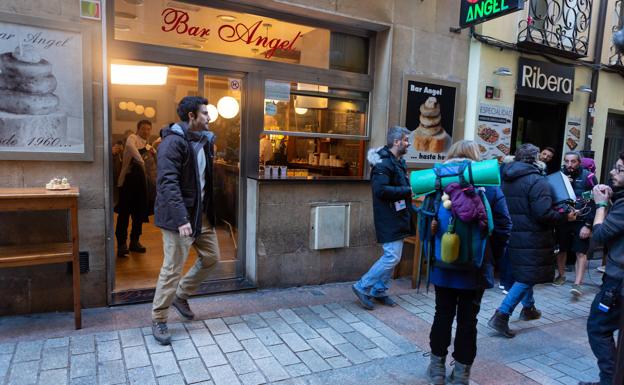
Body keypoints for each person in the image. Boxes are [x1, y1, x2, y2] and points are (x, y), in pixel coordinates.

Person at [425, 141, 512, 385]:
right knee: (468, 321)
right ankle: (462, 374)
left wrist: (431, 251)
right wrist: (490, 256)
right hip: (476, 268)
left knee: (441, 315)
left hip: (442, 266)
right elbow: (504, 225)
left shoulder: (437, 181)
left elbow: (424, 221)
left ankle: (437, 370)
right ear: (477, 157)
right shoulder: (488, 182)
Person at [151, 96, 220, 345]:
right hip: (178, 217)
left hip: (200, 215)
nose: (208, 117)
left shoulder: (204, 141)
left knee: (212, 258)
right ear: (191, 116)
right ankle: (159, 318)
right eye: (204, 113)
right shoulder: (172, 143)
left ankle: (181, 295)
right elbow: (167, 184)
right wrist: (182, 219)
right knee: (172, 268)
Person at [488, 143, 576, 338]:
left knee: (525, 272)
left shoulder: (505, 176)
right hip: (532, 236)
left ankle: (528, 308)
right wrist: (565, 216)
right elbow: (543, 213)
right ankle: (501, 315)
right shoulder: (538, 181)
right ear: (535, 159)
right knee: (528, 275)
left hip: (512, 232)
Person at [352, 126, 414, 310]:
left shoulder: (397, 162)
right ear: (396, 142)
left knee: (394, 256)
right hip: (388, 216)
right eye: (405, 140)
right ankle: (362, 286)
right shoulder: (383, 164)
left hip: (399, 215)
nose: (408, 143)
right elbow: (380, 190)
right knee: (391, 256)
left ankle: (379, 290)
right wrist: (408, 191)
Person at [581, 152, 624, 385]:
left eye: (619, 169)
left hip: (617, 281)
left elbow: (599, 236)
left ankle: (609, 380)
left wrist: (600, 206)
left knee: (598, 328)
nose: (612, 173)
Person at [553, 151, 598, 297]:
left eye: (573, 162)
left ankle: (578, 284)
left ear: (579, 162)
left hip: (582, 220)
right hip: (564, 219)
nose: (569, 165)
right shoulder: (560, 175)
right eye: (566, 161)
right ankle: (561, 275)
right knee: (561, 249)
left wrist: (589, 225)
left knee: (581, 252)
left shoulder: (589, 177)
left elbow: (593, 201)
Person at [115, 120, 155, 257]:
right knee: (124, 214)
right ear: (138, 129)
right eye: (143, 129)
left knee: (138, 214)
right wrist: (142, 161)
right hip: (128, 183)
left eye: (149, 129)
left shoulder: (148, 146)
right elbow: (131, 148)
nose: (146, 131)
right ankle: (121, 244)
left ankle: (134, 242)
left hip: (142, 185)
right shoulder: (132, 138)